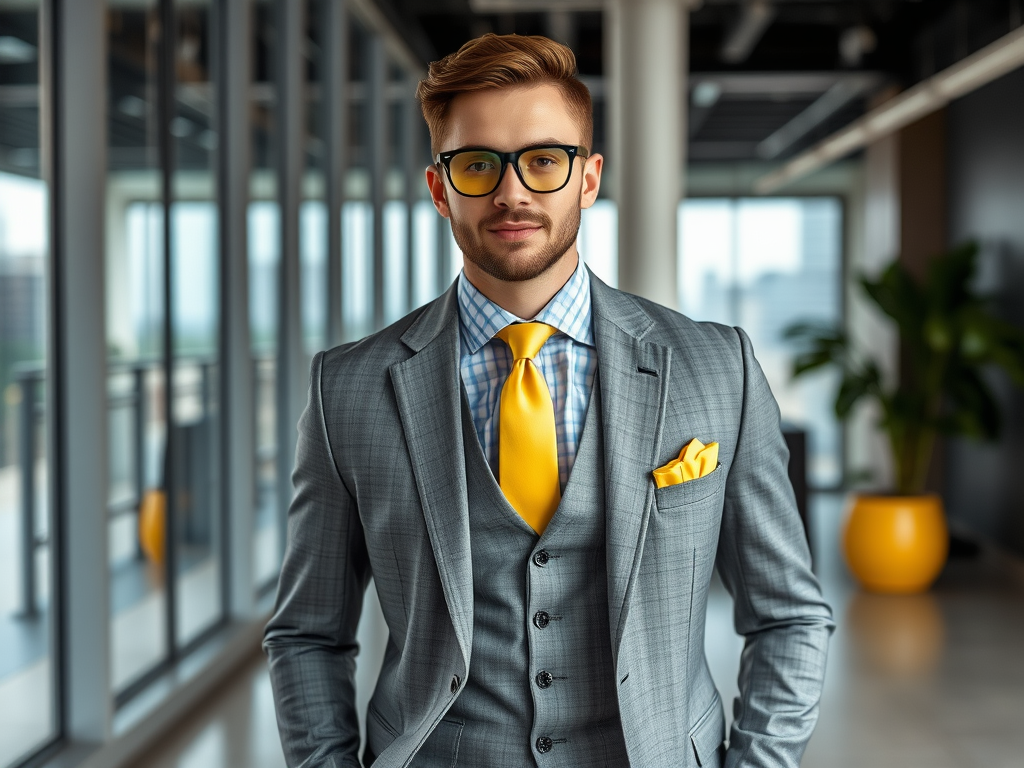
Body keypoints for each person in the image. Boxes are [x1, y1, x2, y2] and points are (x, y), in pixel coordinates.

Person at [264, 33, 834, 768]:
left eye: (543, 159)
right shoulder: (348, 387)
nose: (512, 192)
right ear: (439, 188)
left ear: (588, 178)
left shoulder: (716, 365)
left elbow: (788, 614)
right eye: (478, 165)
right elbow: (308, 633)